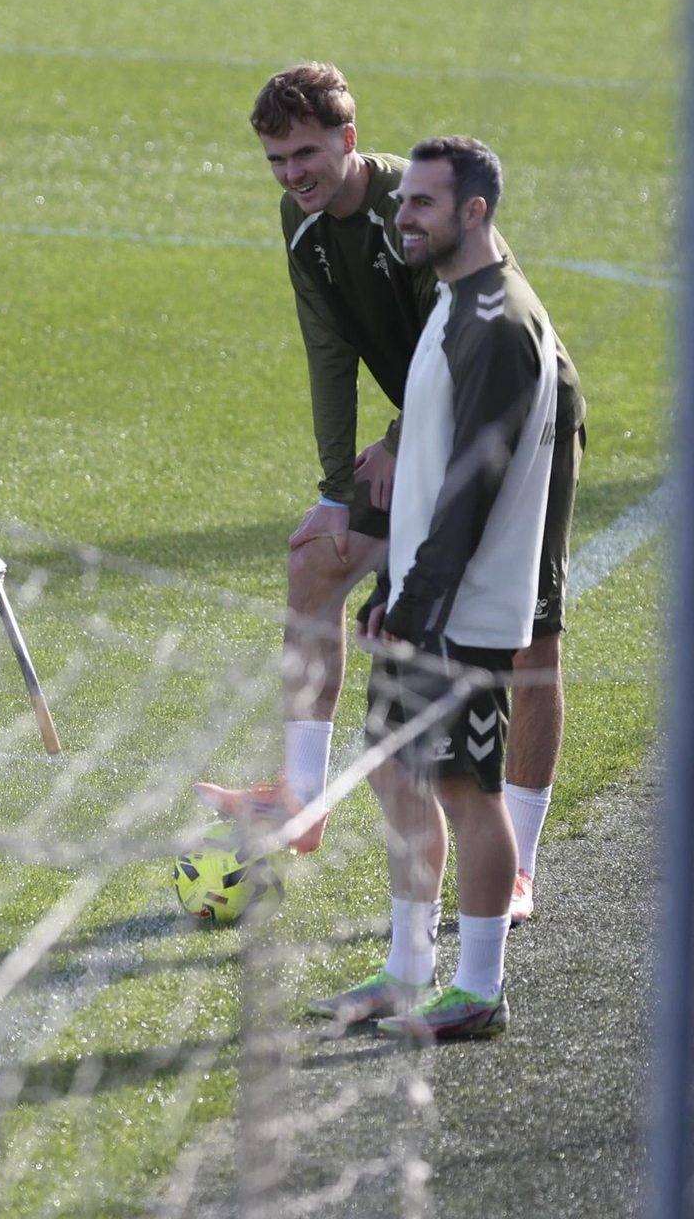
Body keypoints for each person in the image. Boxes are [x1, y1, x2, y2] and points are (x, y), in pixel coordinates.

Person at [197, 65, 585, 925]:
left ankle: (518, 862)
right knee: (313, 564)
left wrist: (404, 443)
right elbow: (327, 351)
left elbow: (476, 332)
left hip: (518, 420)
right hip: (424, 423)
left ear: (348, 137)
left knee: (532, 647)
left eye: (306, 153)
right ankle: (301, 800)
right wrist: (339, 489)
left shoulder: (410, 210)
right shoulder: (300, 224)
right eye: (275, 159)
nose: (293, 174)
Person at [312, 136, 559, 1038]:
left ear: (474, 212)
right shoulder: (458, 306)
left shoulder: (496, 323)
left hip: (464, 613)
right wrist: (394, 589)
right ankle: (408, 968)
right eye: (402, 199)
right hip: (425, 598)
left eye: (420, 203)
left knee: (465, 787)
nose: (401, 215)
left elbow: (472, 488)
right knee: (402, 773)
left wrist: (418, 605)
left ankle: (480, 989)